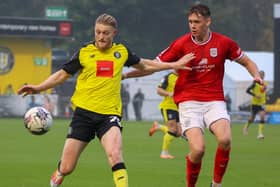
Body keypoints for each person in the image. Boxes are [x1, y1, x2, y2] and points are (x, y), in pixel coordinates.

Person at [17, 13, 195, 187]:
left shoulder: (121, 52)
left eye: (105, 33)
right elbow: (62, 75)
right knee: (67, 167)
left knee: (115, 155)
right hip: (83, 115)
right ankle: (58, 175)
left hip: (109, 115)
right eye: (98, 32)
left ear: (114, 33)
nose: (101, 37)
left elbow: (146, 64)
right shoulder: (84, 52)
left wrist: (173, 64)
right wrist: (38, 87)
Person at [123, 4, 263, 187]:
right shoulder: (181, 44)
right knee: (198, 150)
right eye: (190, 22)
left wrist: (256, 75)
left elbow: (246, 61)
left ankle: (216, 184)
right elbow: (151, 67)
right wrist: (125, 75)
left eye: (196, 21)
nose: (192, 25)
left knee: (225, 139)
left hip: (214, 101)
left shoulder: (223, 43)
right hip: (189, 102)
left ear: (208, 21)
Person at [148, 70, 181, 159]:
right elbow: (159, 90)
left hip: (179, 108)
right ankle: (164, 153)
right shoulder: (168, 77)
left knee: (178, 133)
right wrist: (169, 93)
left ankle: (158, 127)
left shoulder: (184, 77)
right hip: (168, 107)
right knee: (172, 130)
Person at [243, 70, 268, 139]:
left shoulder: (265, 84)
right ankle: (246, 127)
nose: (262, 76)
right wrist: (255, 95)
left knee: (262, 116)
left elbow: (263, 92)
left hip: (262, 103)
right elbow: (247, 90)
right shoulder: (254, 83)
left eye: (263, 75)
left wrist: (266, 97)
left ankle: (260, 133)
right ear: (259, 76)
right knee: (252, 118)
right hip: (255, 103)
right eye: (261, 75)